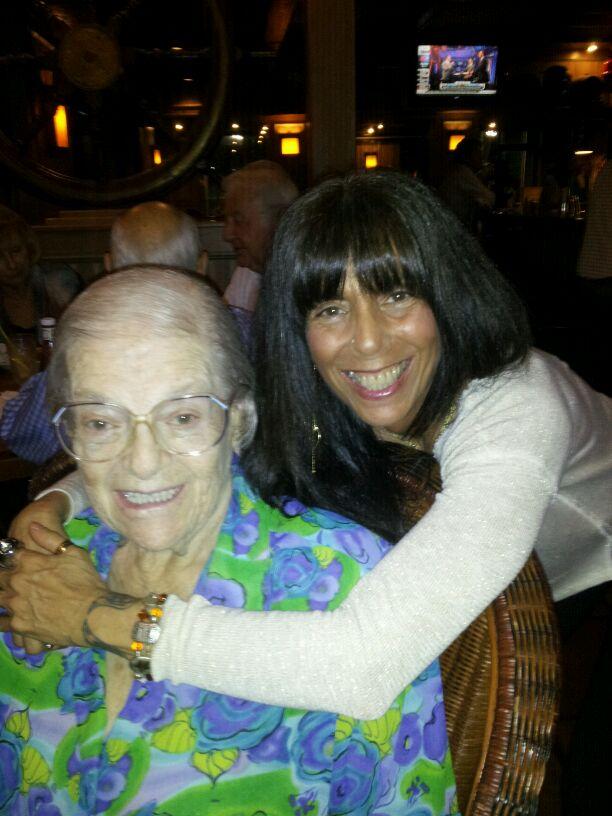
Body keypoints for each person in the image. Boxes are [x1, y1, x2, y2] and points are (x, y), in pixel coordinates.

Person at [6, 170, 612, 723]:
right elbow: (188, 435)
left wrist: (98, 617)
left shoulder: (520, 407)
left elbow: (360, 665)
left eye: (396, 295)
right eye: (331, 308)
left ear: (448, 292)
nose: (367, 342)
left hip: (584, 584)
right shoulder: (319, 379)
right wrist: (60, 500)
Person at [0, 267, 457, 814]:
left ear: (238, 420)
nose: (141, 463)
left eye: (183, 417)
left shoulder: (341, 584)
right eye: (101, 423)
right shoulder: (40, 560)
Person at [0, 201, 252, 465]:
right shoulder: (248, 330)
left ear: (108, 265)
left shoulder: (85, 344)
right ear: (202, 265)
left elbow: (29, 436)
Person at [0, 205, 81, 364]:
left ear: (29, 248)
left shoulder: (60, 283)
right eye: (0, 257)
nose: (11, 264)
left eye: (16, 251)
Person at [222, 160, 298, 312]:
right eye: (226, 221)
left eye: (239, 220)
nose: (227, 235)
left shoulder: (307, 276)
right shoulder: (246, 274)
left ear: (278, 221)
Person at [438, 137, 495, 234]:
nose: (482, 158)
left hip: (450, 225)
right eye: (478, 154)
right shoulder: (462, 172)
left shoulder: (457, 171)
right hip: (454, 229)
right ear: (469, 156)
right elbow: (490, 198)